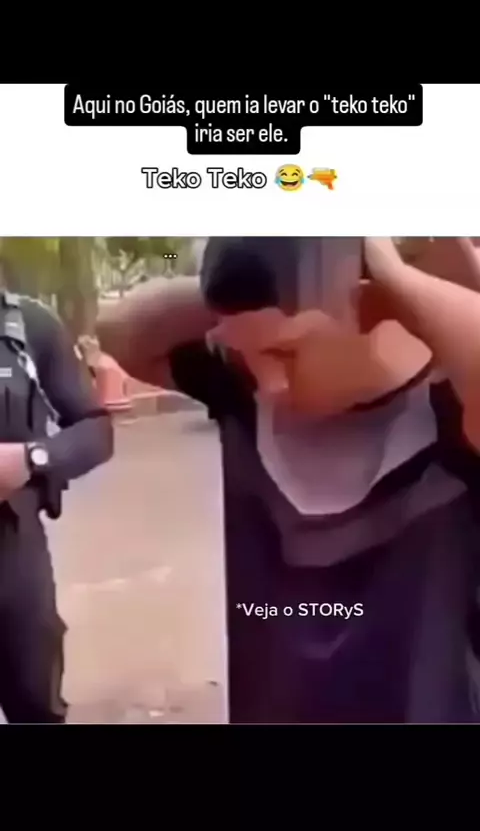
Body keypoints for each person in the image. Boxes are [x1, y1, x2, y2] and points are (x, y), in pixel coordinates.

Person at [97, 237, 480, 724]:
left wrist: (395, 281)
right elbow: (119, 330)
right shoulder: (244, 398)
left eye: (285, 351)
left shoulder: (450, 413)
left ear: (371, 307)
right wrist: (257, 280)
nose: (269, 381)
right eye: (246, 354)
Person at [0, 292, 113, 723]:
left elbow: (97, 431)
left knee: (35, 700)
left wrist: (32, 459)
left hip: (13, 549)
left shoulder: (28, 326)